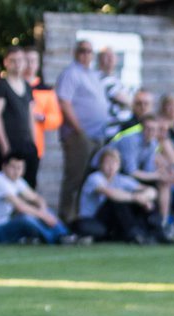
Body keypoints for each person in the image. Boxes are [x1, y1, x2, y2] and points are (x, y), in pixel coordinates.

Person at [56, 39, 111, 222]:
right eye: (82, 50)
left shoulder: (93, 74)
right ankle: (67, 219)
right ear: (75, 52)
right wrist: (79, 129)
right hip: (79, 136)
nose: (85, 54)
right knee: (75, 177)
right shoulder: (71, 73)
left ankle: (82, 218)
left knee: (88, 179)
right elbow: (64, 101)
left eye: (89, 51)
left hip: (97, 135)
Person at [0, 151, 75, 244]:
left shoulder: (17, 181)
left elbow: (37, 199)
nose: (16, 171)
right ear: (4, 167)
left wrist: (43, 210)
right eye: (13, 167)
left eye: (19, 168)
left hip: (2, 225)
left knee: (45, 211)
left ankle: (65, 235)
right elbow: (20, 207)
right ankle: (55, 240)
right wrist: (43, 215)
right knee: (26, 218)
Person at [75, 146, 165, 243]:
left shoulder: (121, 179)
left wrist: (144, 198)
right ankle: (134, 233)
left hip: (112, 219)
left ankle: (157, 231)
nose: (111, 166)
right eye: (107, 163)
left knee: (143, 201)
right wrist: (135, 198)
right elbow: (110, 193)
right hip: (94, 219)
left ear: (119, 165)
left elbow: (151, 191)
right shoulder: (95, 178)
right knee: (117, 201)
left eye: (114, 163)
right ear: (101, 165)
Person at [0, 48, 39, 186]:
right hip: (10, 145)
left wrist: (34, 144)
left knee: (28, 185)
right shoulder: (1, 86)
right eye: (13, 60)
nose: (17, 64)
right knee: (8, 187)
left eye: (20, 60)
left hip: (27, 145)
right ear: (6, 62)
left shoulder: (27, 86)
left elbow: (30, 116)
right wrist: (5, 148)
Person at [23, 48, 61, 161]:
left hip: (35, 143)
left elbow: (56, 119)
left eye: (33, 61)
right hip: (13, 142)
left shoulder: (46, 90)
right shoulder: (11, 86)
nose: (30, 65)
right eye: (26, 60)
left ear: (38, 64)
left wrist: (43, 118)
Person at [96, 47, 133, 140]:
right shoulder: (100, 78)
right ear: (100, 59)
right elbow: (124, 100)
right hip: (112, 131)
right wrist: (135, 104)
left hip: (124, 129)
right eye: (106, 56)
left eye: (112, 56)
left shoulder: (116, 79)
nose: (110, 59)